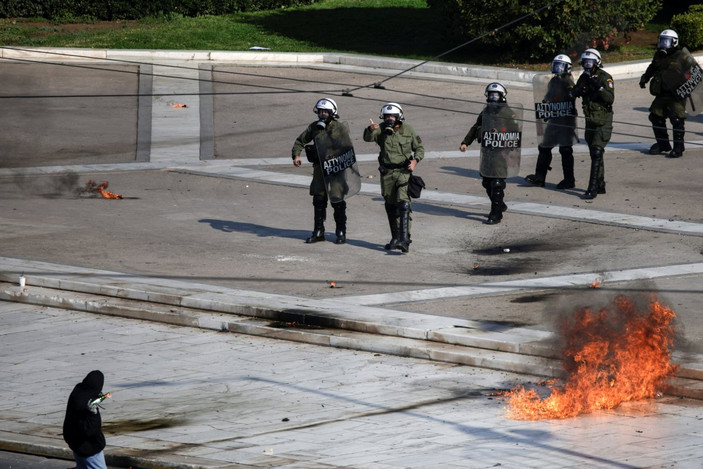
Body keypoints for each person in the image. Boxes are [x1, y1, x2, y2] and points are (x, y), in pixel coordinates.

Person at [363, 102, 424, 252]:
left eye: (392, 116)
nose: (389, 118)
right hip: (387, 173)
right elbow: (368, 138)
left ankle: (405, 239)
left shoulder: (408, 130)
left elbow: (420, 148)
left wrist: (415, 161)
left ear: (399, 117)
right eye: (387, 116)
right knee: (390, 206)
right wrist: (371, 129)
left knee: (404, 204)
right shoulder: (381, 129)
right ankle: (395, 237)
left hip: (403, 172)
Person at [460, 82, 521, 225]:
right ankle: (499, 204)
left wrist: (503, 137)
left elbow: (515, 132)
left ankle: (496, 214)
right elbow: (476, 127)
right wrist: (465, 142)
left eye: (496, 95)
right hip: (487, 153)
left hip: (501, 154)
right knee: (487, 182)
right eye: (491, 95)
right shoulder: (486, 111)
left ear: (502, 96)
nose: (493, 98)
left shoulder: (508, 113)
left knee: (497, 183)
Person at [292, 98, 350, 244]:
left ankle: (341, 232)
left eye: (326, 112)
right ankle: (318, 232)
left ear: (332, 113)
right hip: (319, 169)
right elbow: (300, 141)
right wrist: (296, 155)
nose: (323, 114)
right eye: (320, 112)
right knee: (318, 200)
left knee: (337, 201)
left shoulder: (340, 128)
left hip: (335, 169)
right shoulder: (314, 127)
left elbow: (346, 148)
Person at [639, 29, 698, 158]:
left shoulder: (682, 56)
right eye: (662, 41)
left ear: (674, 42)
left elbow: (694, 73)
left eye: (666, 42)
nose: (663, 44)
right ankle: (663, 144)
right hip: (661, 93)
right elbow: (653, 67)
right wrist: (645, 78)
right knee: (655, 117)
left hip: (676, 94)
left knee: (676, 120)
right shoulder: (659, 55)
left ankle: (678, 147)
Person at [525, 54, 577, 189]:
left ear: (567, 68)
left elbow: (571, 99)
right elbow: (548, 97)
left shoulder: (568, 82)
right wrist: (545, 106)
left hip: (566, 121)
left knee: (565, 149)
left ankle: (569, 180)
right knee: (544, 147)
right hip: (554, 119)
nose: (557, 68)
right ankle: (539, 178)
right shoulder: (553, 81)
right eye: (556, 65)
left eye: (560, 66)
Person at [572, 48, 614, 199]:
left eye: (590, 62)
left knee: (597, 151)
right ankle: (601, 184)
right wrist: (577, 90)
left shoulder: (605, 77)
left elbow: (610, 99)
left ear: (597, 62)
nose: (587, 65)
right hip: (590, 121)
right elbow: (575, 93)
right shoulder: (583, 77)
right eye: (585, 62)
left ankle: (592, 188)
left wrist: (598, 86)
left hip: (603, 121)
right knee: (595, 154)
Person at [63, 370, 108, 469]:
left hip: (75, 443)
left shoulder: (78, 391)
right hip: (89, 448)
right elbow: (90, 430)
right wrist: (93, 414)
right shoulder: (85, 405)